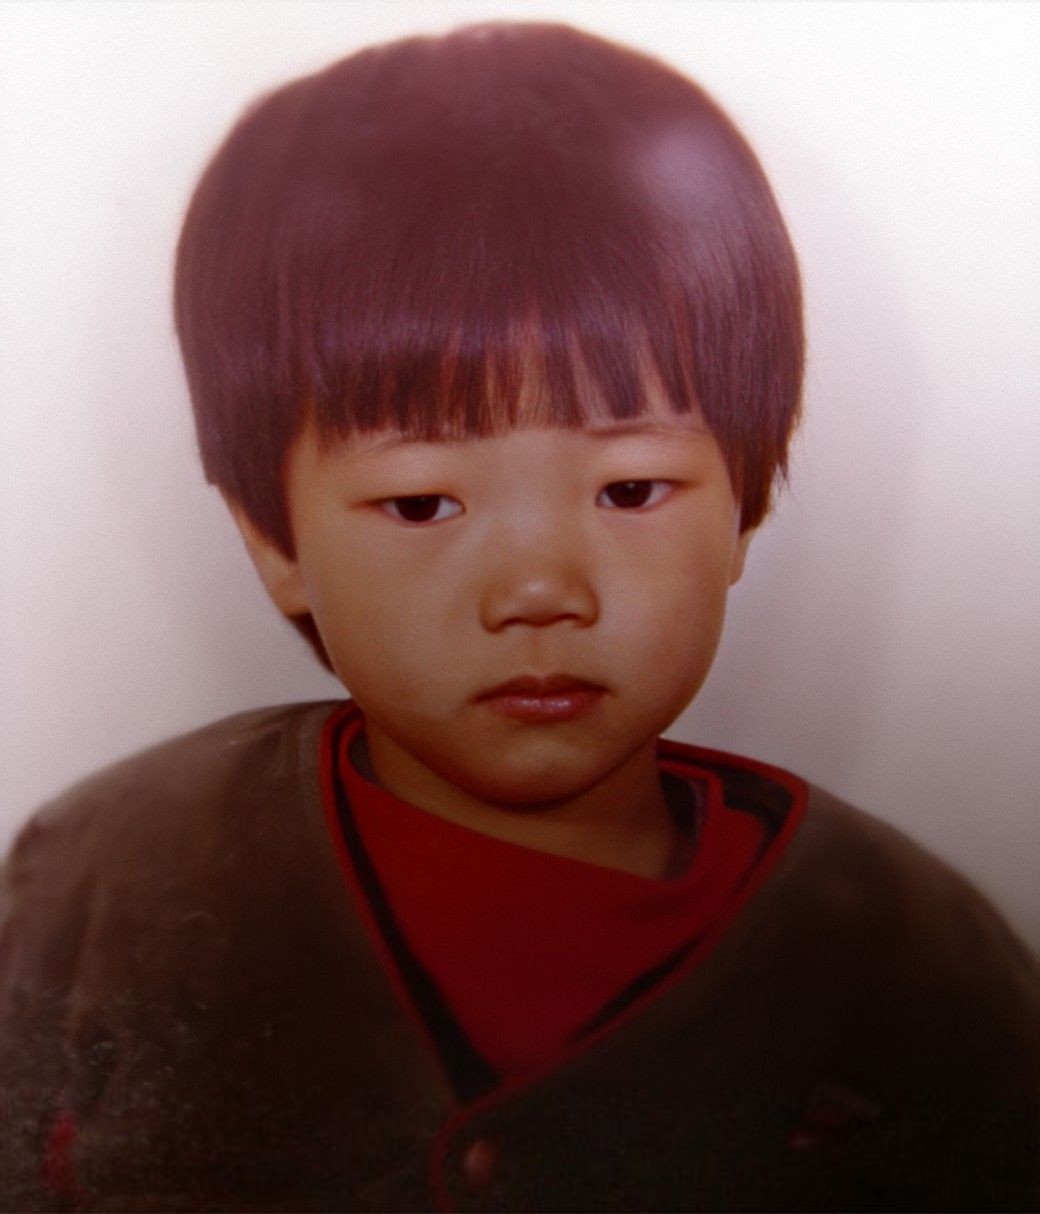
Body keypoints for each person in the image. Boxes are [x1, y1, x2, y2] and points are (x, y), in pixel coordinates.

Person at [1, 21, 1037, 1212]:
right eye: (421, 501)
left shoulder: (924, 967)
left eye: (630, 490)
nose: (539, 590)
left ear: (744, 508)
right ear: (274, 542)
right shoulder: (100, 881)